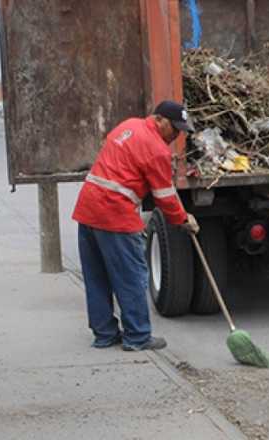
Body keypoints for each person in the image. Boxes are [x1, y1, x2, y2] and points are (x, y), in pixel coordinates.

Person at [72, 101, 199, 351]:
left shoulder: (128, 126)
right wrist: (183, 220)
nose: (176, 135)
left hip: (88, 209)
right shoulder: (156, 149)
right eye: (174, 128)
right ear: (159, 119)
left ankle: (104, 334)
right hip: (114, 213)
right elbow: (164, 196)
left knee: (96, 277)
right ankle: (137, 336)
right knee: (131, 277)